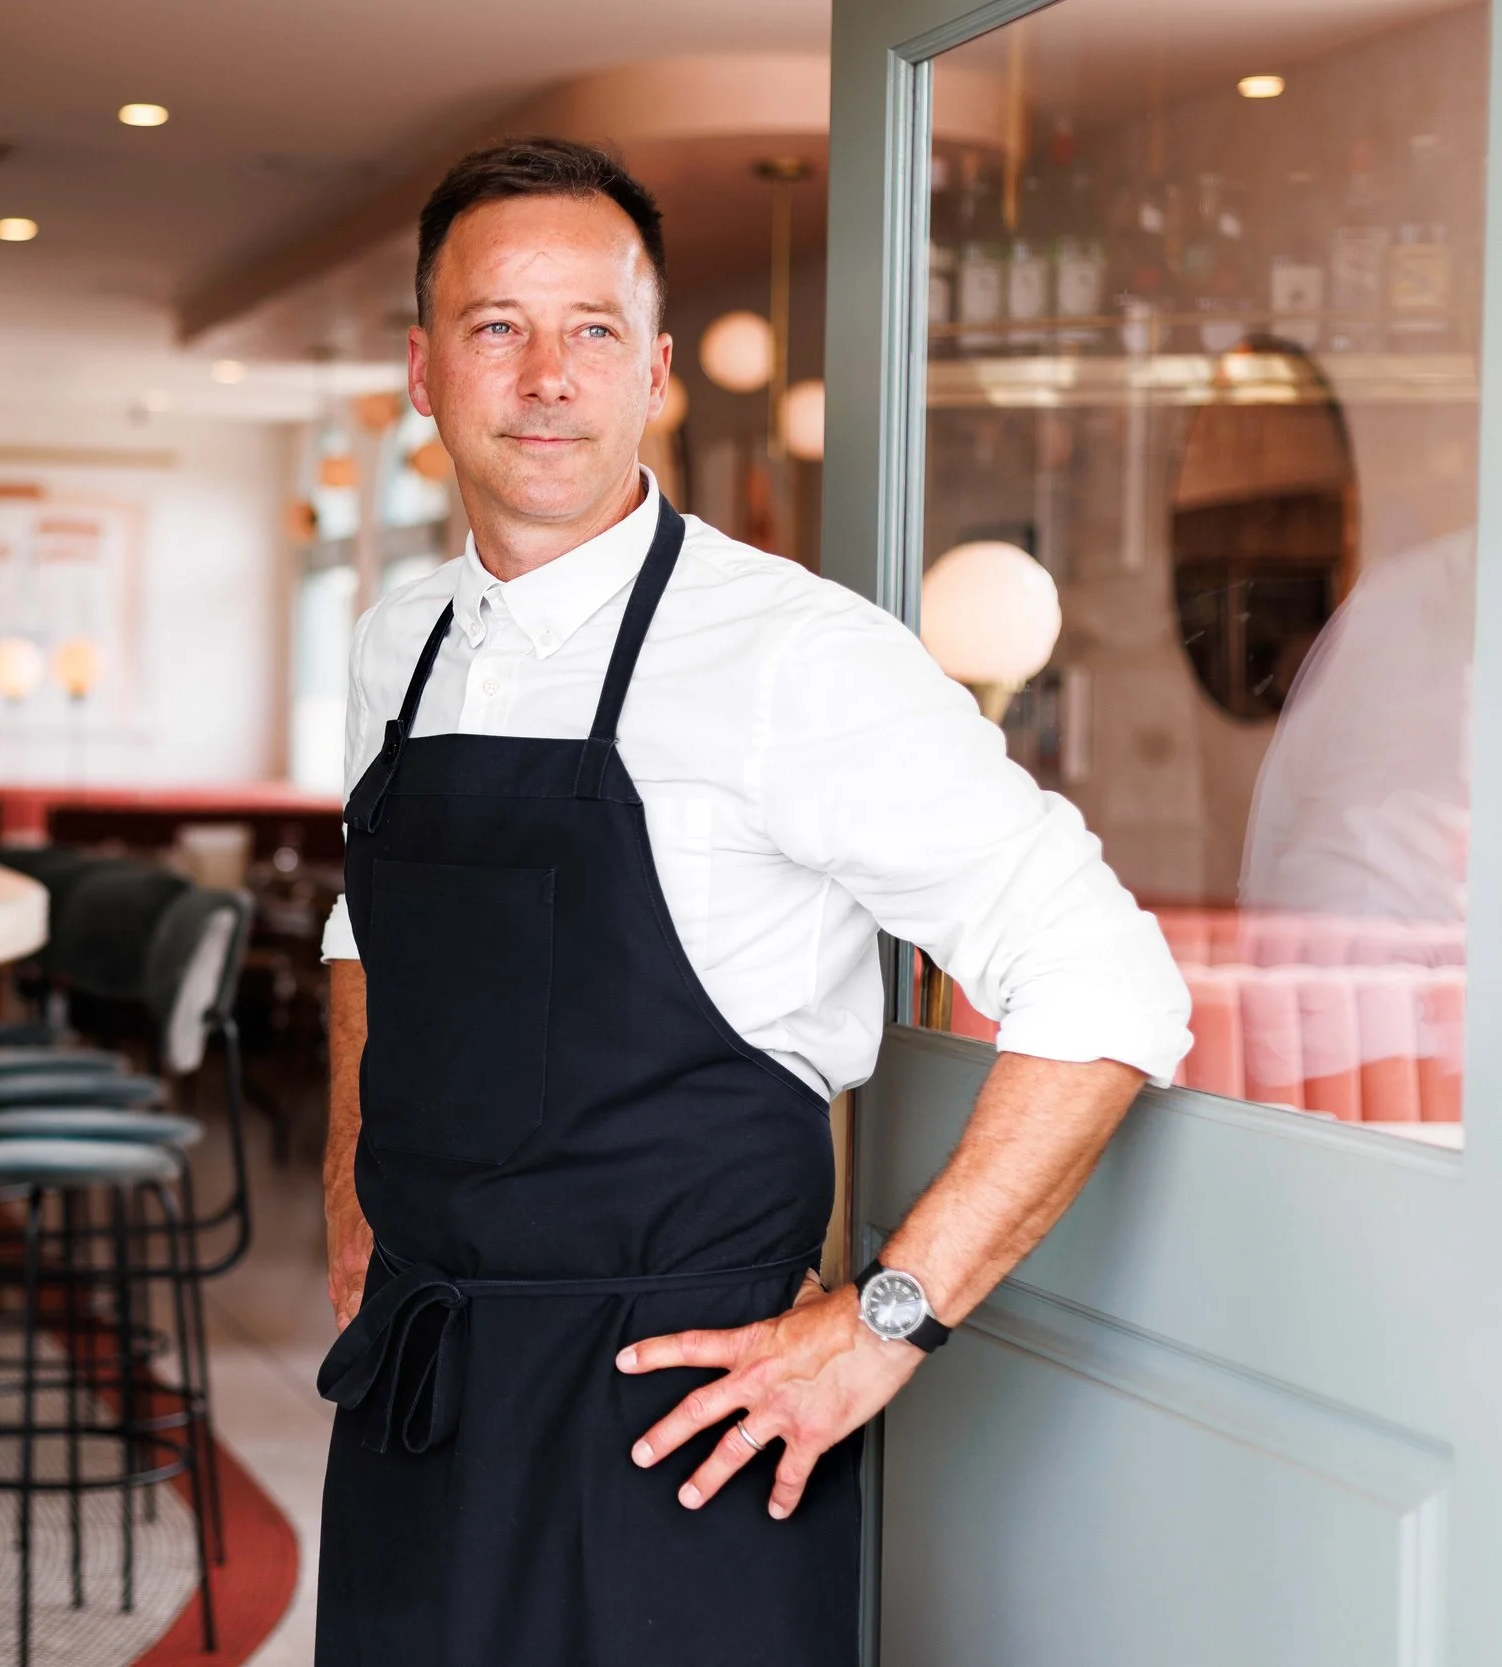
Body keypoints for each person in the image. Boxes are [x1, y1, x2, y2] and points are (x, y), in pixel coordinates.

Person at [313, 139, 1191, 1666]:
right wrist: (350, 1197)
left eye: (592, 329)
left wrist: (887, 1317)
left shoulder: (796, 656)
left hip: (681, 1422)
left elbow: (1105, 976)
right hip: (423, 1380)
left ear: (655, 369)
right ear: (422, 369)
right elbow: (362, 925)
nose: (546, 375)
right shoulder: (403, 637)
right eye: (496, 325)